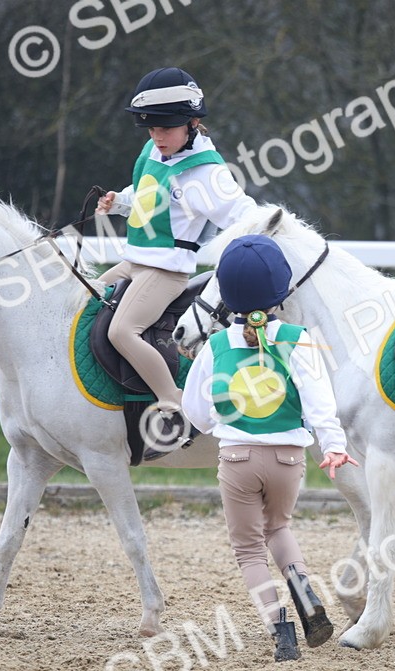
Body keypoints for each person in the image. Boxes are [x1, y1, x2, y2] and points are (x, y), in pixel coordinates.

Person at [182, 235, 360, 662]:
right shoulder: (300, 340)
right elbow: (320, 402)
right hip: (289, 460)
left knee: (248, 549)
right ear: (283, 289)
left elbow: (197, 412)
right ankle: (304, 587)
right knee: (278, 529)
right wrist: (333, 445)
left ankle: (280, 629)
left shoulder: (217, 345)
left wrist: (222, 423)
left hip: (238, 459)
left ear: (225, 294)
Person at [96, 66, 257, 456]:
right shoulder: (157, 152)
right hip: (135, 261)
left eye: (165, 129)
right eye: (151, 129)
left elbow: (246, 216)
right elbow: (146, 194)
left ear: (192, 124)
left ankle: (175, 404)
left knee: (122, 331)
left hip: (167, 271)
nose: (157, 137)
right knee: (88, 297)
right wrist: (119, 202)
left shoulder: (207, 173)